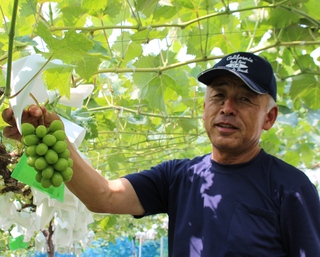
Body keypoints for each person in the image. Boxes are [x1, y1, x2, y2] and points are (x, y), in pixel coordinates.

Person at [2, 52, 320, 257]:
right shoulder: (178, 177)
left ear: (270, 117)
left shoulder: (291, 189)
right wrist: (51, 138)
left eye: (245, 99)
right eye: (218, 96)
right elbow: (104, 196)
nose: (227, 108)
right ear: (205, 106)